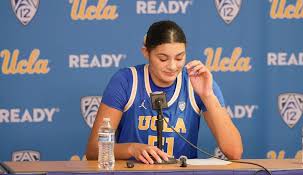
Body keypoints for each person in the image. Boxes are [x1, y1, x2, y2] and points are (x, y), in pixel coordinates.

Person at [86, 20, 243, 164]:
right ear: (146, 52)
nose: (173, 66)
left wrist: (207, 95)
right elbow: (93, 150)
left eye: (179, 58)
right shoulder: (126, 80)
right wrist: (131, 149)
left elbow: (234, 152)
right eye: (163, 59)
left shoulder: (198, 82)